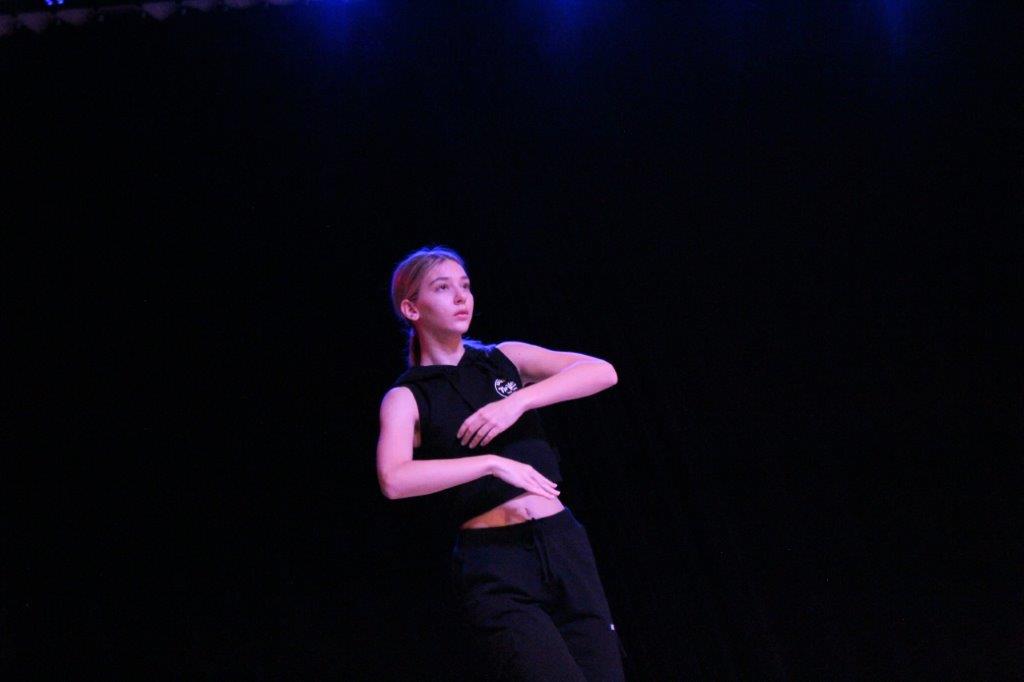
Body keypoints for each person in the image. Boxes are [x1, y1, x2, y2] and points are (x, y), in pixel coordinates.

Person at [376, 245, 627, 681]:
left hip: (561, 541)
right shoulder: (408, 396)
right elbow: (394, 478)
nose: (461, 297)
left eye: (465, 285)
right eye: (443, 287)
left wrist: (518, 402)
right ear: (412, 308)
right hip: (496, 560)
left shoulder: (503, 359)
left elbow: (602, 371)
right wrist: (489, 463)